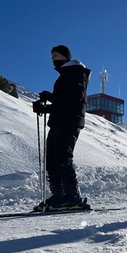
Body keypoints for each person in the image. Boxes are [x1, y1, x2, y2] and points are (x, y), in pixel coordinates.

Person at [32, 45, 91, 211]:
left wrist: (48, 107)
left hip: (69, 121)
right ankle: (60, 195)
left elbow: (73, 100)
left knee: (62, 157)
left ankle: (72, 197)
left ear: (65, 56)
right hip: (61, 121)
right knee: (52, 158)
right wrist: (50, 99)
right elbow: (64, 99)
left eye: (56, 56)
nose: (53, 60)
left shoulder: (75, 73)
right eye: (52, 57)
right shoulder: (68, 74)